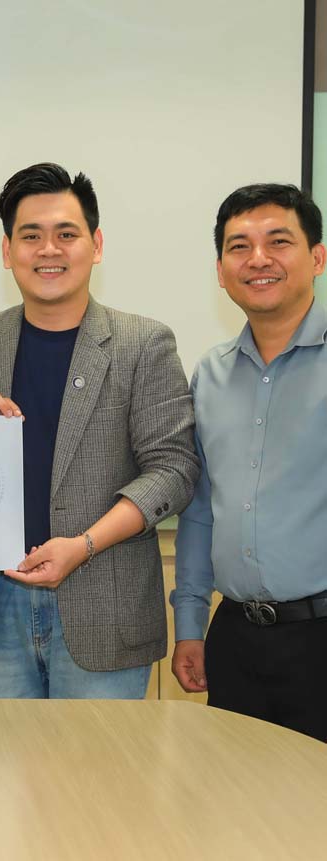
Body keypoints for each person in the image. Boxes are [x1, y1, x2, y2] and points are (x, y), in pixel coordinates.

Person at [0, 162, 199, 698]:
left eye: (66, 235)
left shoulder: (143, 343)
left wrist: (84, 545)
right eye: (31, 236)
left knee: (96, 757)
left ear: (96, 245)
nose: (48, 250)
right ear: (7, 251)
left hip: (104, 606)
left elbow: (173, 470)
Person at [171, 184, 327, 740]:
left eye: (278, 241)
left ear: (317, 257)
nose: (258, 259)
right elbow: (199, 511)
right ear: (221, 271)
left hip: (321, 636)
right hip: (235, 637)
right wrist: (190, 622)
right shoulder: (210, 375)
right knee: (232, 792)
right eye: (239, 246)